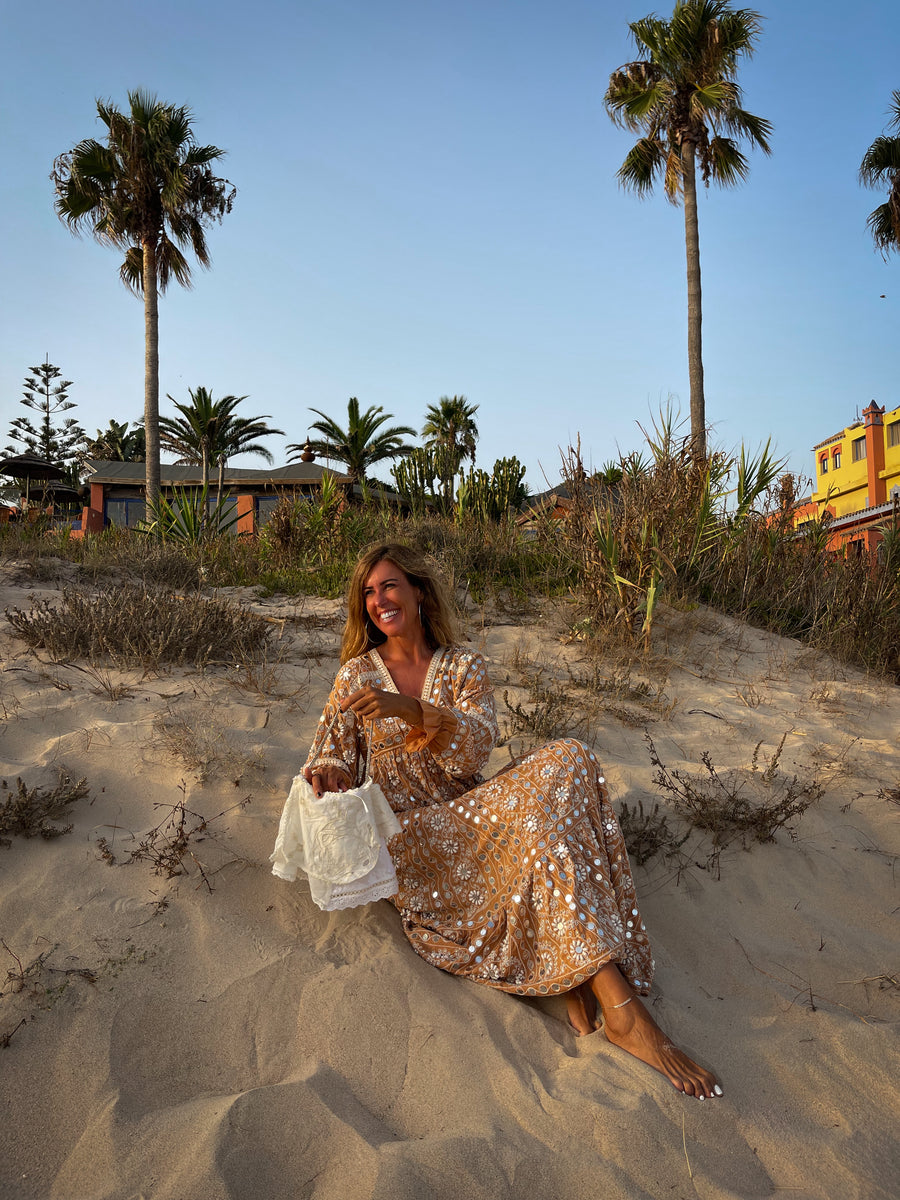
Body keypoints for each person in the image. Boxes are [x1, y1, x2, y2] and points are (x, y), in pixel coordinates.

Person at [303, 542, 722, 1100]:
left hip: (473, 814)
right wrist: (325, 776)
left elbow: (472, 753)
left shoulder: (463, 666)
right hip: (411, 836)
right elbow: (329, 752)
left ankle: (570, 977)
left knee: (570, 758)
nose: (379, 600)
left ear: (419, 591)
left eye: (390, 585)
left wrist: (412, 711)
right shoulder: (355, 676)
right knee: (541, 832)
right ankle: (619, 1007)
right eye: (369, 592)